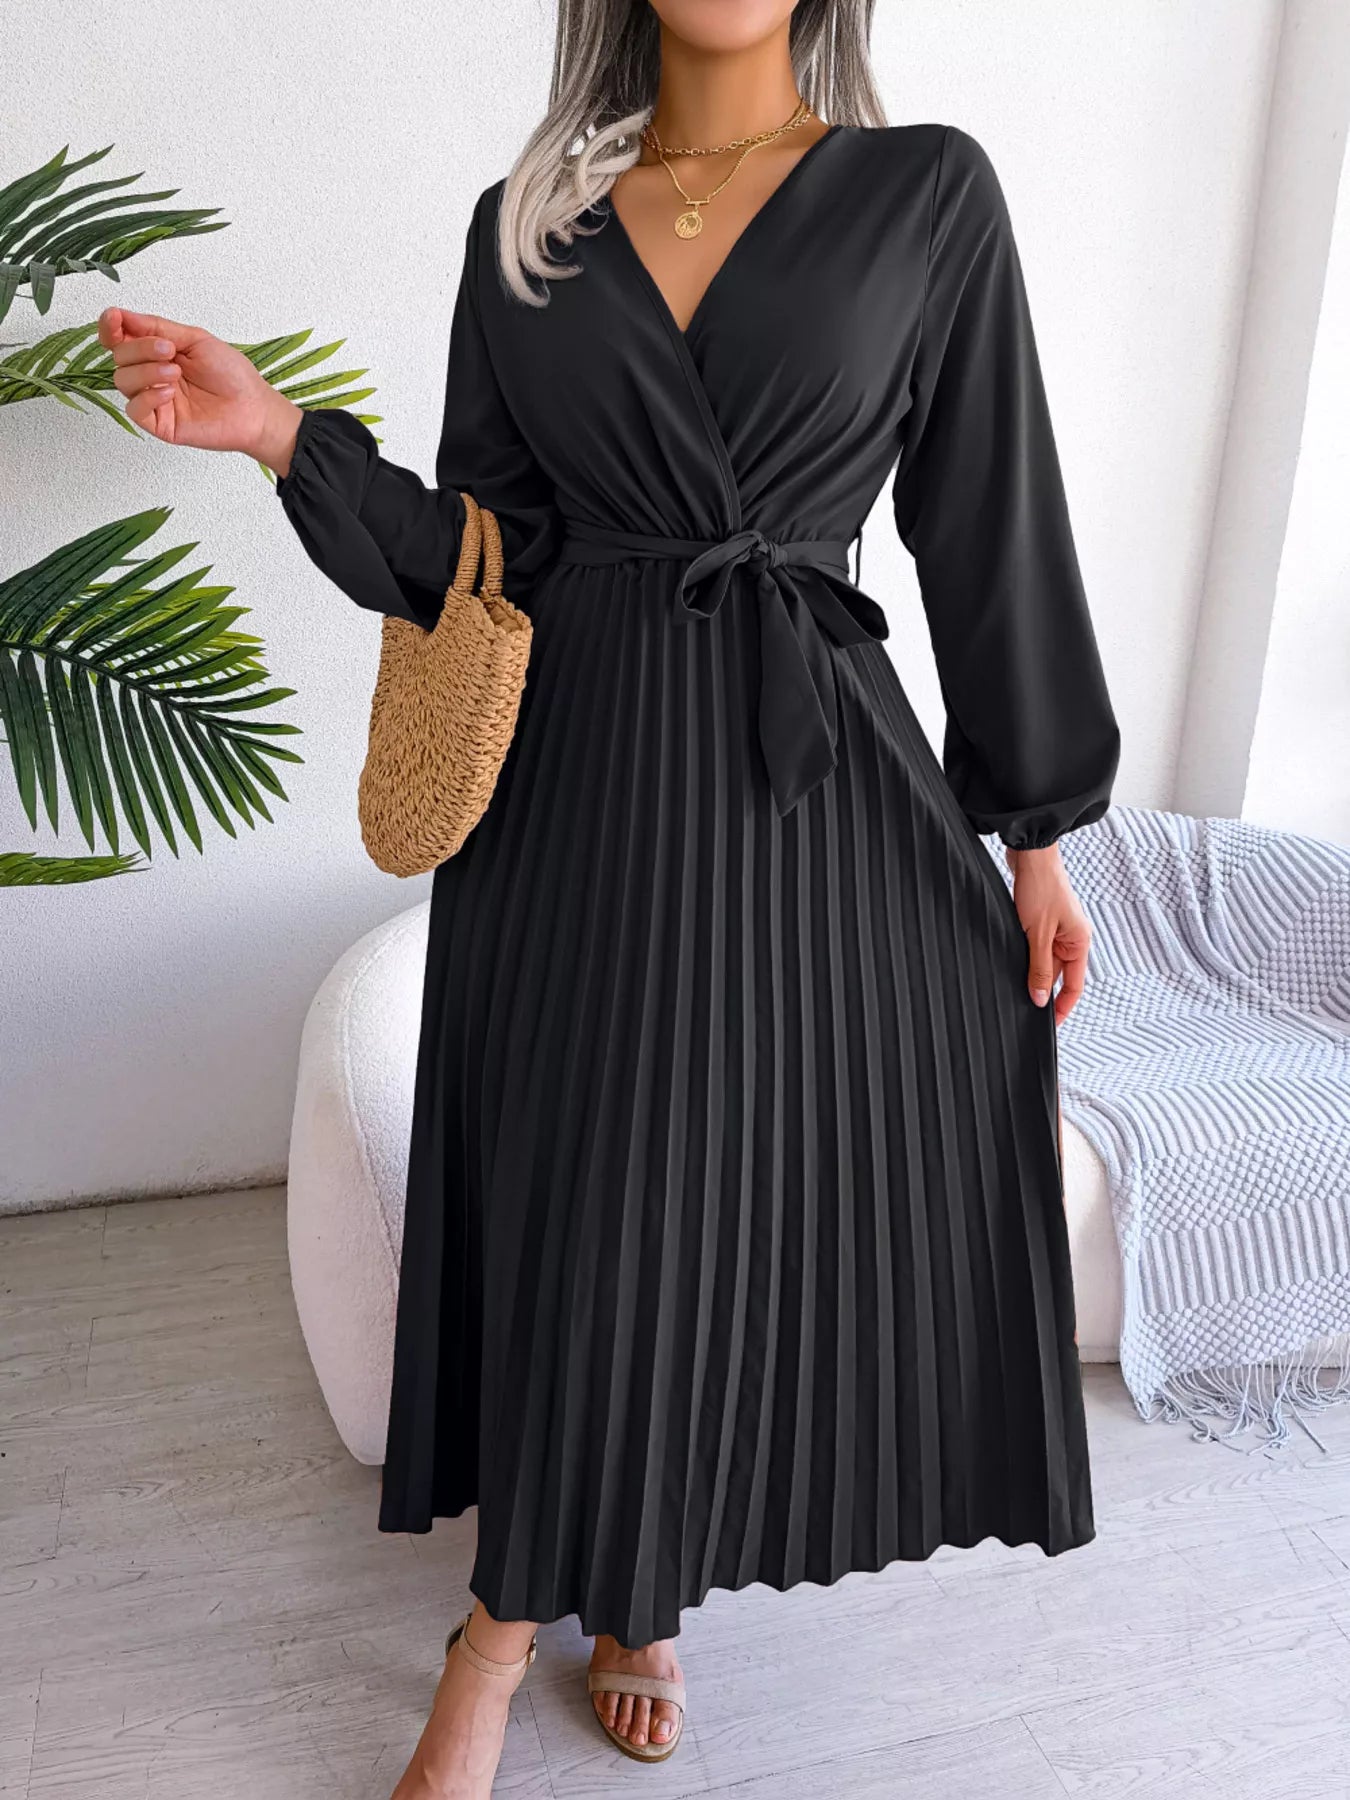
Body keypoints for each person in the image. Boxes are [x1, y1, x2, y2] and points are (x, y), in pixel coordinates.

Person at [99, 1, 1120, 1793]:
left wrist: (1034, 840)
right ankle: (560, 1614)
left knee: (718, 1211)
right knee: (599, 1209)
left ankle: (553, 1617)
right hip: (573, 800)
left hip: (806, 791)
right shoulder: (531, 231)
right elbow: (484, 557)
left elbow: (989, 520)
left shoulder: (925, 195)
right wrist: (282, 440)